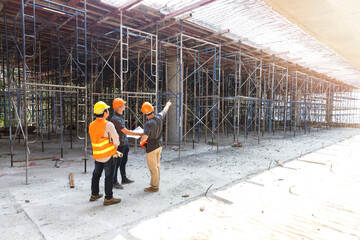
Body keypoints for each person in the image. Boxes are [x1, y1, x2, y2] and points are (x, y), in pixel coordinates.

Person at [89, 101, 122, 205]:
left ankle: (94, 194)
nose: (108, 111)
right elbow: (116, 140)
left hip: (97, 155)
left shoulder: (91, 125)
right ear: (104, 112)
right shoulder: (108, 124)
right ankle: (108, 198)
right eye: (107, 110)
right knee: (109, 176)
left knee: (96, 174)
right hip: (108, 155)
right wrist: (115, 148)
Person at [111, 97, 143, 189]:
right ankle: (114, 181)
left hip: (124, 143)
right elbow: (126, 131)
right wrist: (139, 133)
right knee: (116, 164)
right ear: (120, 107)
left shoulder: (120, 117)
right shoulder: (115, 119)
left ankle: (124, 178)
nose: (124, 105)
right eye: (123, 104)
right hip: (119, 145)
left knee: (123, 162)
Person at [140, 100, 172, 192]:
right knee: (157, 166)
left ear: (144, 113)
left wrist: (141, 141)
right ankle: (156, 183)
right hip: (159, 146)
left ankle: (154, 187)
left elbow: (144, 138)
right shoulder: (159, 117)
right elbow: (165, 110)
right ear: (152, 110)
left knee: (153, 168)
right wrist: (168, 104)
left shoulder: (148, 124)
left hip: (151, 148)